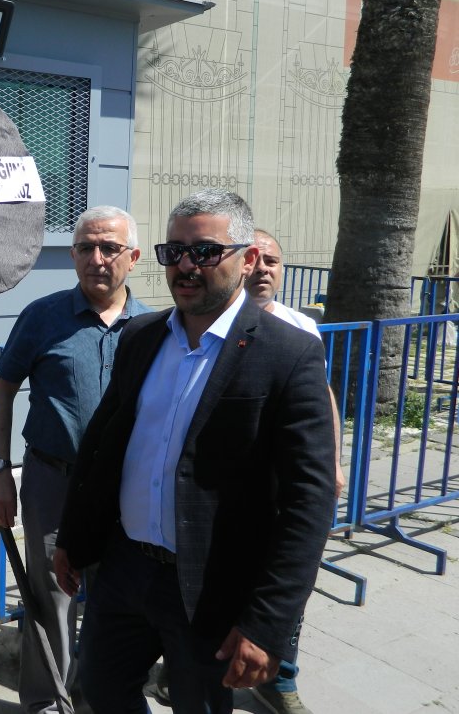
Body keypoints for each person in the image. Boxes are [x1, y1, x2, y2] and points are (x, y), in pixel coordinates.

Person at [54, 189, 336, 714]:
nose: (185, 266)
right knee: (100, 689)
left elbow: (309, 501)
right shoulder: (141, 336)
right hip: (125, 570)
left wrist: (268, 623)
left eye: (205, 251)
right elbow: (102, 444)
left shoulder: (290, 353)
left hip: (211, 587)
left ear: (248, 259)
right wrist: (73, 536)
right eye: (174, 252)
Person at [0, 205, 152, 713]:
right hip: (51, 482)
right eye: (85, 248)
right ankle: (46, 701)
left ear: (133, 257)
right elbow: (2, 392)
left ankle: (97, 696)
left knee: (114, 598)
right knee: (51, 597)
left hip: (122, 490)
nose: (96, 259)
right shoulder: (43, 316)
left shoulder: (153, 328)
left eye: (109, 248)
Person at [243, 228, 344, 714]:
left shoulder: (301, 327)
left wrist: (333, 461)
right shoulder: (207, 324)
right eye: (254, 259)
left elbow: (322, 398)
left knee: (286, 582)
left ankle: (278, 678)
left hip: (284, 481)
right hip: (226, 483)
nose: (263, 269)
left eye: (272, 261)